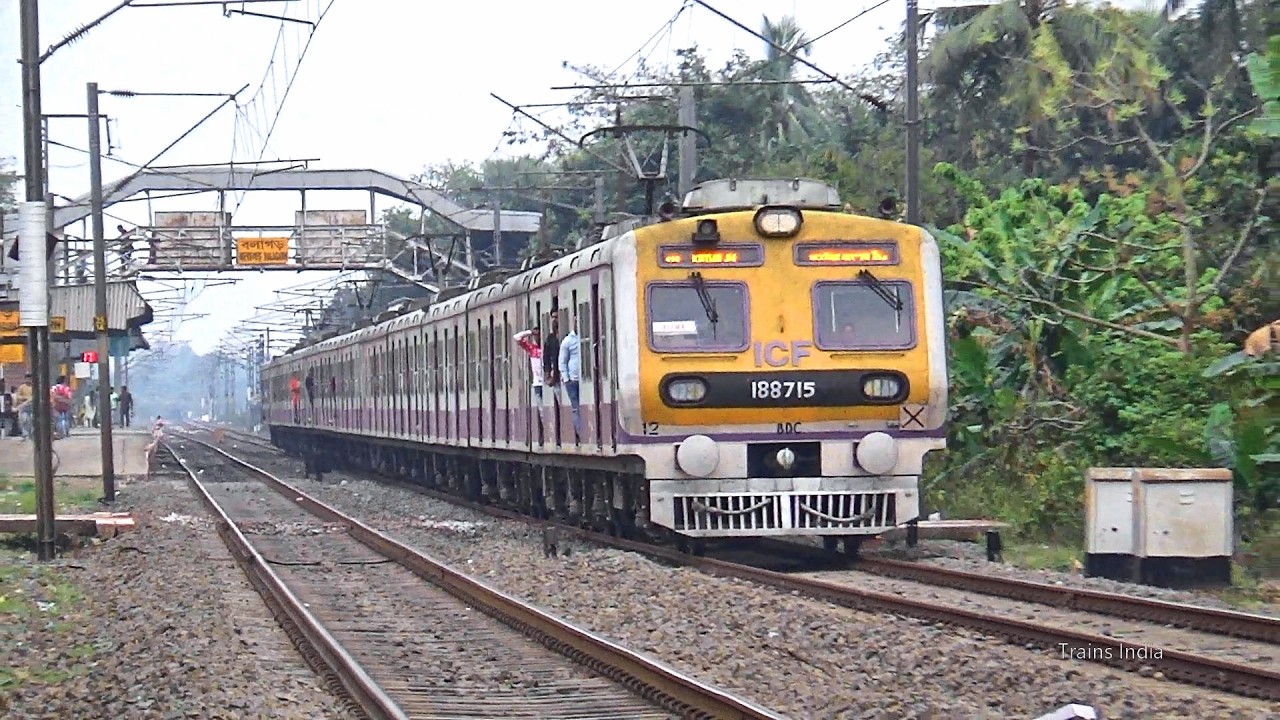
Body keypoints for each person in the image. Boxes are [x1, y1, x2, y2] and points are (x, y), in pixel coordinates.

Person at [514, 328, 545, 440]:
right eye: (536, 335)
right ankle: (545, 433)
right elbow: (517, 338)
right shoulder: (532, 349)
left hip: (547, 383)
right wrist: (529, 332)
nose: (537, 337)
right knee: (541, 410)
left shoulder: (546, 348)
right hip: (537, 384)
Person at [558, 317, 582, 442]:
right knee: (576, 407)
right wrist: (566, 379)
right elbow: (562, 362)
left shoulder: (589, 335)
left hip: (586, 379)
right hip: (573, 380)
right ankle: (580, 433)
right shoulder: (567, 341)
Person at [14, 374, 33, 439]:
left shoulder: (34, 387)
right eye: (27, 378)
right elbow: (18, 396)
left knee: (32, 420)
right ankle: (25, 434)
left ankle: (31, 434)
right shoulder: (22, 387)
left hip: (32, 406)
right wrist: (26, 398)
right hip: (24, 406)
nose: (28, 380)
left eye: (30, 378)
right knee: (24, 419)